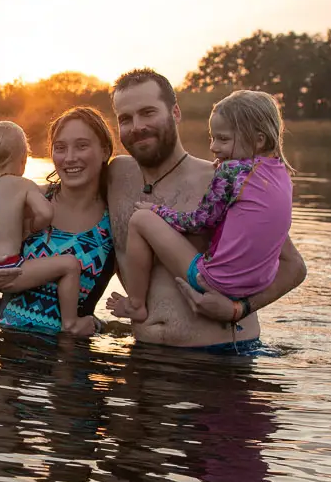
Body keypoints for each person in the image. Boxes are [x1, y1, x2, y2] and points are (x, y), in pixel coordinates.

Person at [101, 69, 306, 354]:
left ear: (175, 113)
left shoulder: (223, 178)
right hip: (143, 357)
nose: (137, 126)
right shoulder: (115, 177)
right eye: (125, 118)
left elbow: (293, 267)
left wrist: (238, 308)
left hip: (221, 360)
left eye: (148, 112)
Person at [0, 107, 118, 336]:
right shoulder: (32, 199)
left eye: (82, 145)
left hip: (66, 358)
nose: (70, 157)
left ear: (104, 150)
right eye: (60, 148)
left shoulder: (115, 221)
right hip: (1, 343)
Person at [0, 120, 83, 332]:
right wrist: (34, 227)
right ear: (24, 160)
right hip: (7, 269)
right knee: (71, 265)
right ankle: (71, 323)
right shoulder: (24, 185)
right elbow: (46, 213)